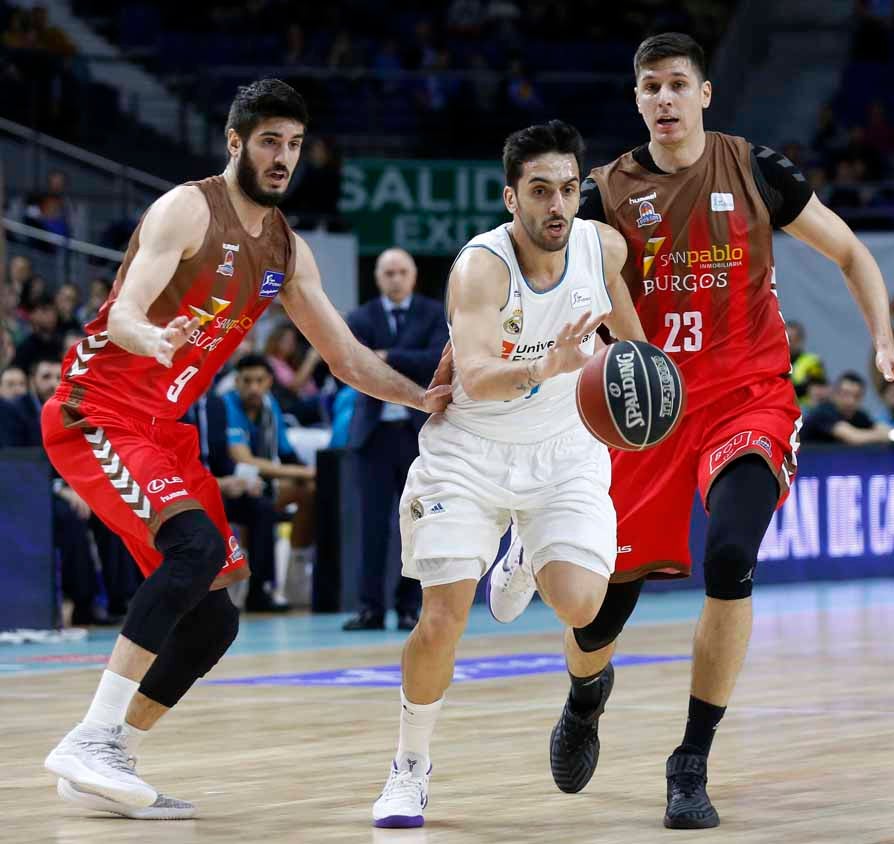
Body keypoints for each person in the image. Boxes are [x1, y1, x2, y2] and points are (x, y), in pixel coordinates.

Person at [488, 34, 894, 830]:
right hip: (646, 415)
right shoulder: (602, 192)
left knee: (731, 557)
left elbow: (851, 251)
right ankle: (587, 695)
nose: (663, 98)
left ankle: (690, 761)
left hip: (747, 400)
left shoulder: (757, 169)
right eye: (649, 86)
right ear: (637, 101)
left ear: (705, 94)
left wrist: (885, 342)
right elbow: (544, 275)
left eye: (676, 84)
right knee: (600, 616)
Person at [40, 78, 451, 821]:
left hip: (160, 429)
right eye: (269, 141)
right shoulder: (187, 208)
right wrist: (151, 337)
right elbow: (128, 308)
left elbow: (348, 359)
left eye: (294, 144)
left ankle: (108, 760)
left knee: (215, 617)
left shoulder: (286, 251)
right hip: (95, 410)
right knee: (193, 551)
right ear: (235, 142)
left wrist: (423, 398)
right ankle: (90, 737)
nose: (283, 157)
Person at [371, 120, 645, 829]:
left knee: (585, 605)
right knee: (442, 619)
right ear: (511, 198)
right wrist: (545, 366)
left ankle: (526, 546)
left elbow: (635, 348)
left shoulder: (601, 246)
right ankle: (409, 769)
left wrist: (643, 392)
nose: (558, 204)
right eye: (540, 191)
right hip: (471, 450)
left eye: (568, 188)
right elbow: (478, 374)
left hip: (562, 449)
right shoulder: (480, 267)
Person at [342, 247, 448, 632]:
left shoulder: (433, 314)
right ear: (378, 278)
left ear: (414, 276)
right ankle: (370, 607)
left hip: (415, 434)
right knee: (371, 525)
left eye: (402, 271)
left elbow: (436, 359)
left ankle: (409, 606)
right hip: (371, 436)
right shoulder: (361, 317)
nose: (396, 279)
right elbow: (354, 361)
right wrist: (398, 358)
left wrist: (386, 356)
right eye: (389, 273)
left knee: (417, 521)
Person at [0, 357, 115, 625]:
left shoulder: (70, 411)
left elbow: (83, 456)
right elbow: (21, 464)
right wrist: (60, 488)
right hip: (28, 492)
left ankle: (123, 598)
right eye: (45, 377)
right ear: (33, 381)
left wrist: (82, 487)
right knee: (70, 517)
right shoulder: (15, 412)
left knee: (113, 511)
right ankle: (82, 603)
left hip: (68, 486)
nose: (52, 383)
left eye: (57, 377)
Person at [223, 354, 314, 606]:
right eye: (247, 381)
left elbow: (285, 452)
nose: (253, 387)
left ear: (269, 382)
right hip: (229, 484)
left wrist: (306, 472)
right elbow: (244, 459)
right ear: (237, 381)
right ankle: (261, 586)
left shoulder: (269, 406)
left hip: (260, 483)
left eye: (259, 381)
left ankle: (296, 577)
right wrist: (303, 473)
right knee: (268, 502)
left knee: (313, 491)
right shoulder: (226, 405)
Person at [183, 388, 285, 612]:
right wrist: (218, 483)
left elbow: (222, 458)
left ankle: (260, 590)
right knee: (202, 511)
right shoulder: (172, 403)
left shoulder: (215, 404)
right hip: (184, 489)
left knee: (263, 508)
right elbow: (174, 462)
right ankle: (202, 597)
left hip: (217, 486)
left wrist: (242, 478)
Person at [802, 371, 894, 456]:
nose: (850, 401)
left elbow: (881, 428)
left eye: (856, 396)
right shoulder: (823, 413)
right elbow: (854, 437)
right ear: (835, 394)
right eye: (846, 394)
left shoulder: (858, 415)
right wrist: (893, 437)